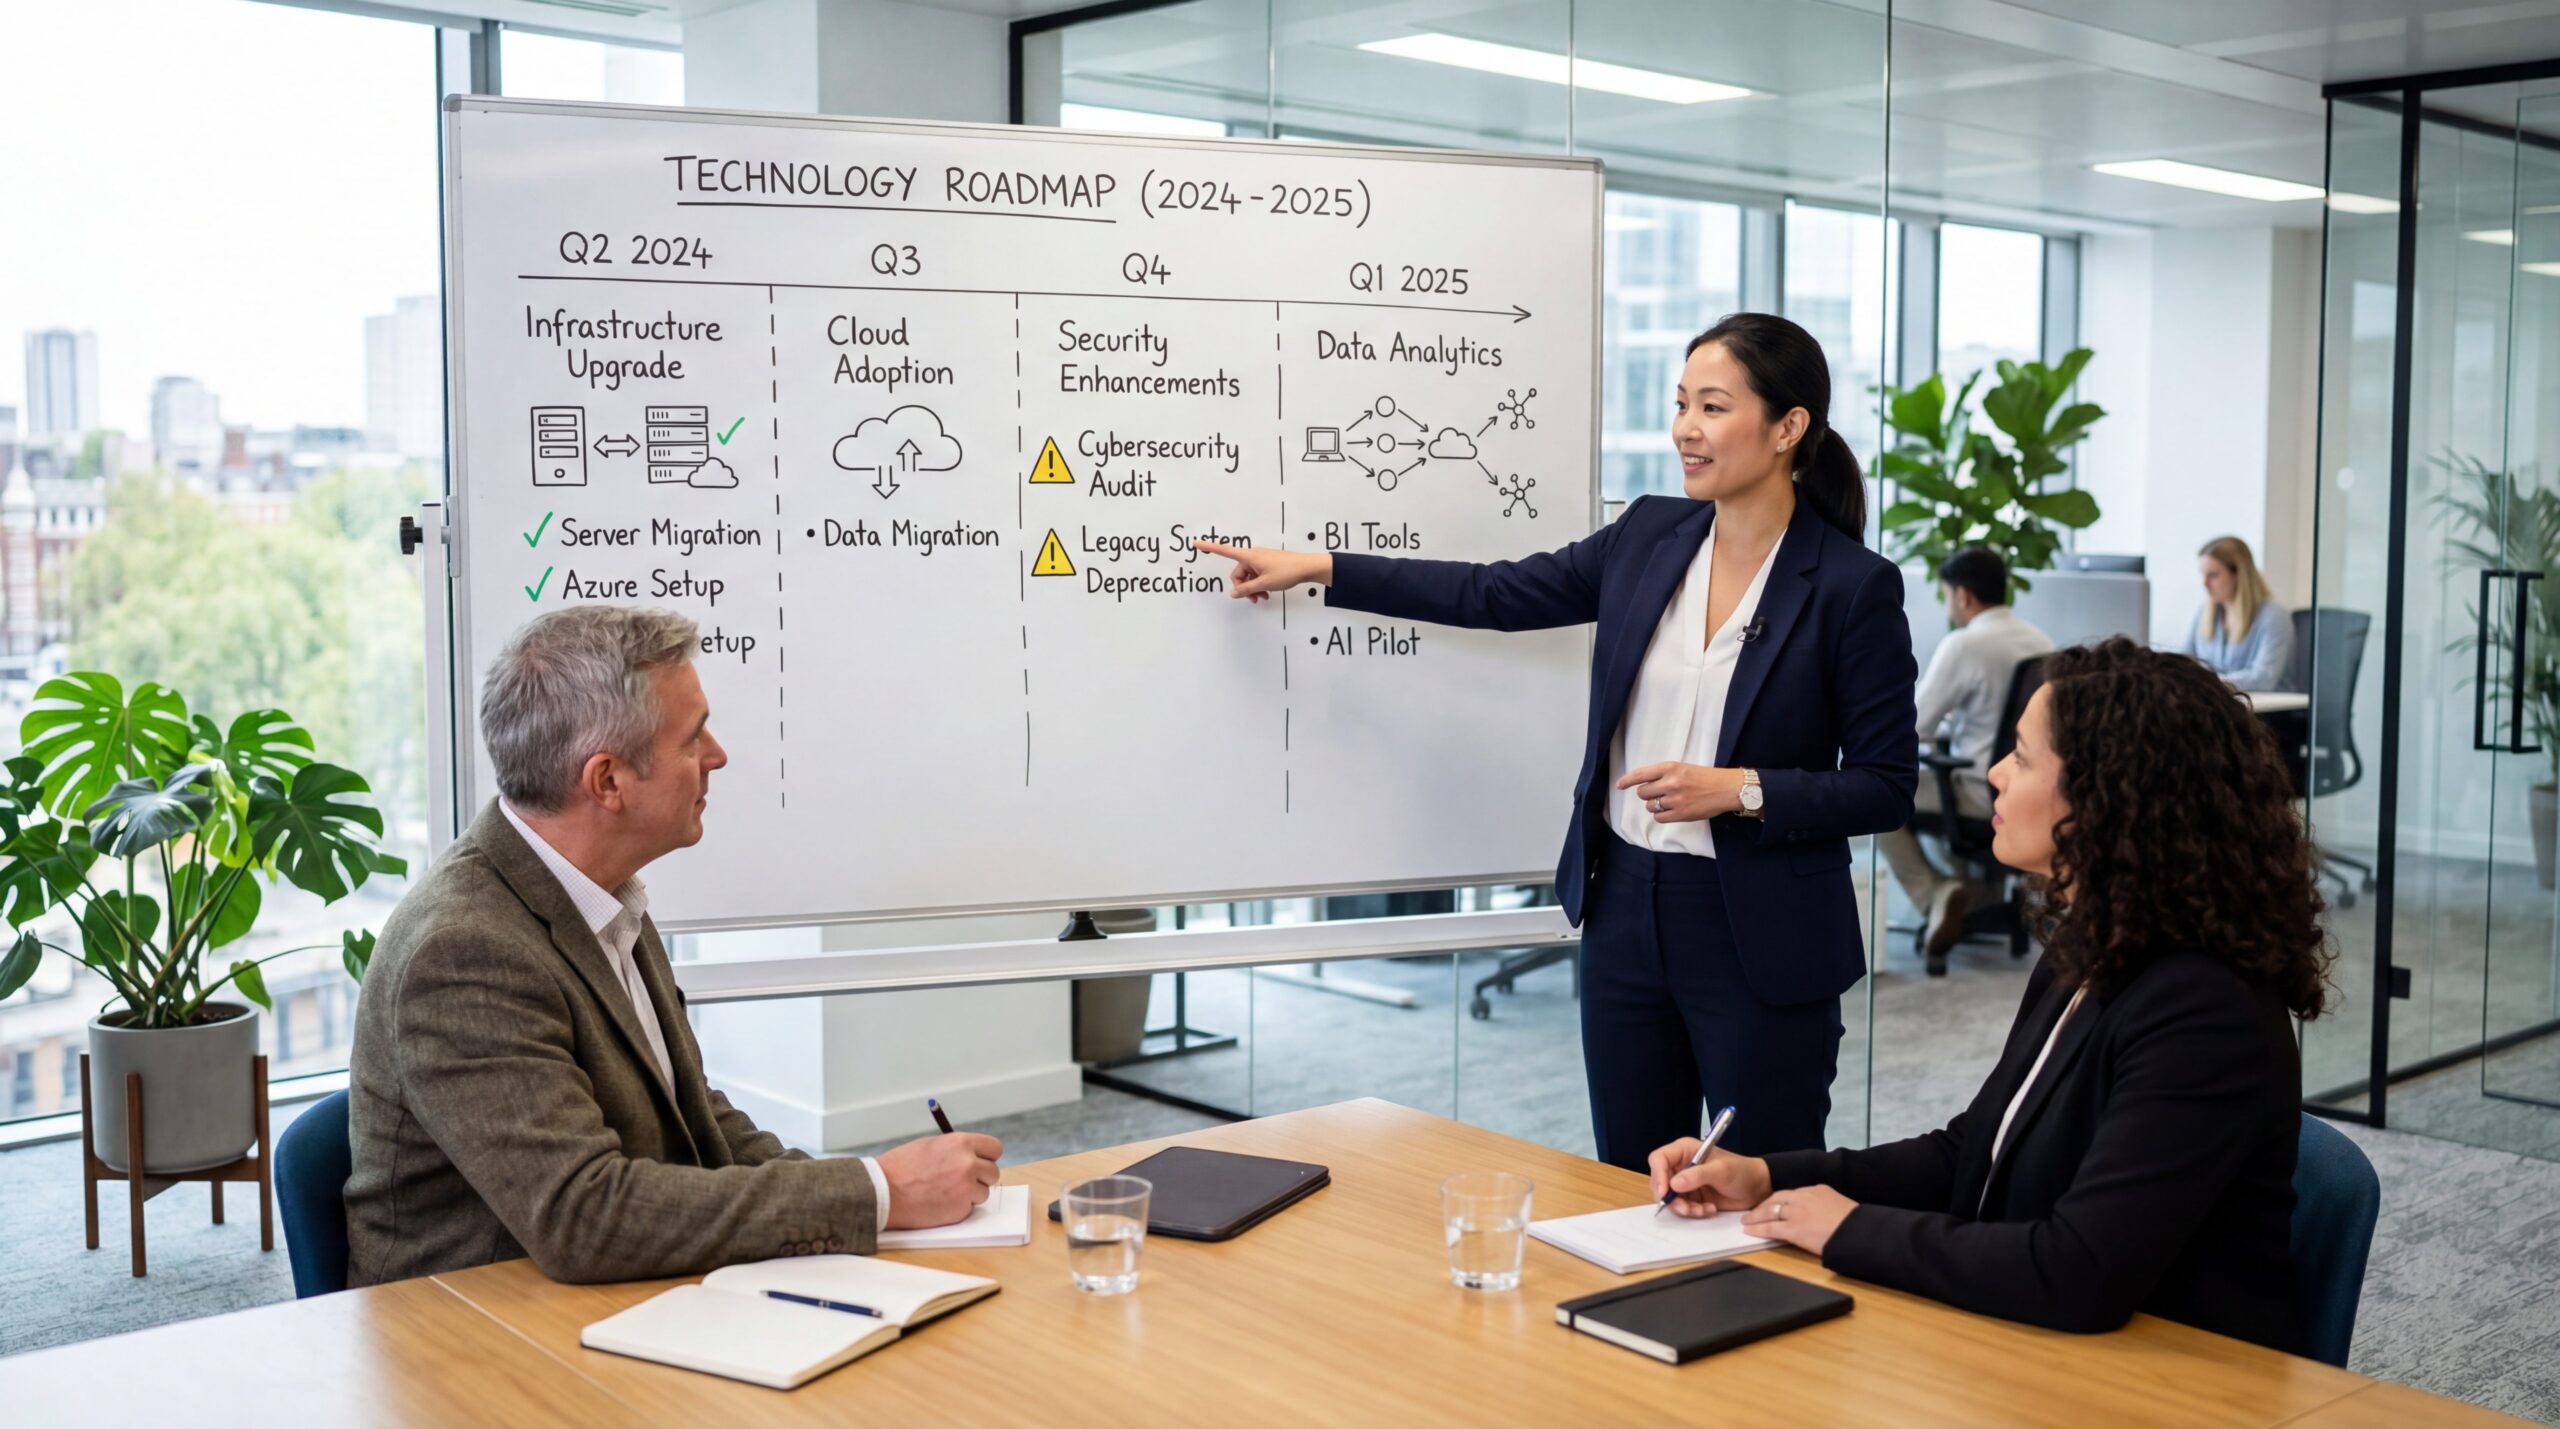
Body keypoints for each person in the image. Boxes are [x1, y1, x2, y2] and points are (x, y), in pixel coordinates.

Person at [1195, 312, 1916, 1167]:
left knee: (1755, 1184)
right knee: (1625, 1174)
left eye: (1713, 407)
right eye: (1682, 402)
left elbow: (1885, 782)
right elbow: (1493, 593)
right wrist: (1323, 567)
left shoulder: (1850, 586)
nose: (1686, 426)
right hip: (1625, 911)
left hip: (1760, 929)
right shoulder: (1648, 535)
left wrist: (1740, 788)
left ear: (1788, 427)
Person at [1648, 638, 2329, 1354]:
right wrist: (1765, 1175)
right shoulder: (2094, 944)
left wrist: (1846, 1228)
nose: (1995, 773)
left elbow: (2078, 1270)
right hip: (2045, 1346)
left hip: (2170, 1380)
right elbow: (1972, 1151)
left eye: (2024, 756)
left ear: (2110, 794)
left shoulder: (2203, 1009)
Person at [345, 606, 1003, 1286]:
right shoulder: (462, 953)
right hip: (474, 1334)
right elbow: (583, 1215)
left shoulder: (602, 892)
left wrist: (874, 1195)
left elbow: (696, 1116)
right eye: (692, 741)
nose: (717, 756)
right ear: (607, 781)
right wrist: (878, 1192)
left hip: (604, 1296)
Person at [1881, 546, 2053, 969]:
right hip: (2022, 787)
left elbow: (1913, 726)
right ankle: (1972, 896)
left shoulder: (1965, 643)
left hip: (1977, 791)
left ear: (1962, 595)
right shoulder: (2038, 639)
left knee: (1879, 799)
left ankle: (1935, 895)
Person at [2181, 535, 2293, 691]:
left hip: (2266, 711)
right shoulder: (2204, 612)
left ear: (2238, 574)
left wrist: (2207, 682)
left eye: (2212, 575)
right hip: (2221, 704)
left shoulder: (2273, 615)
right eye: (2202, 575)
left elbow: (2263, 678)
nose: (2204, 584)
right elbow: (2184, 661)